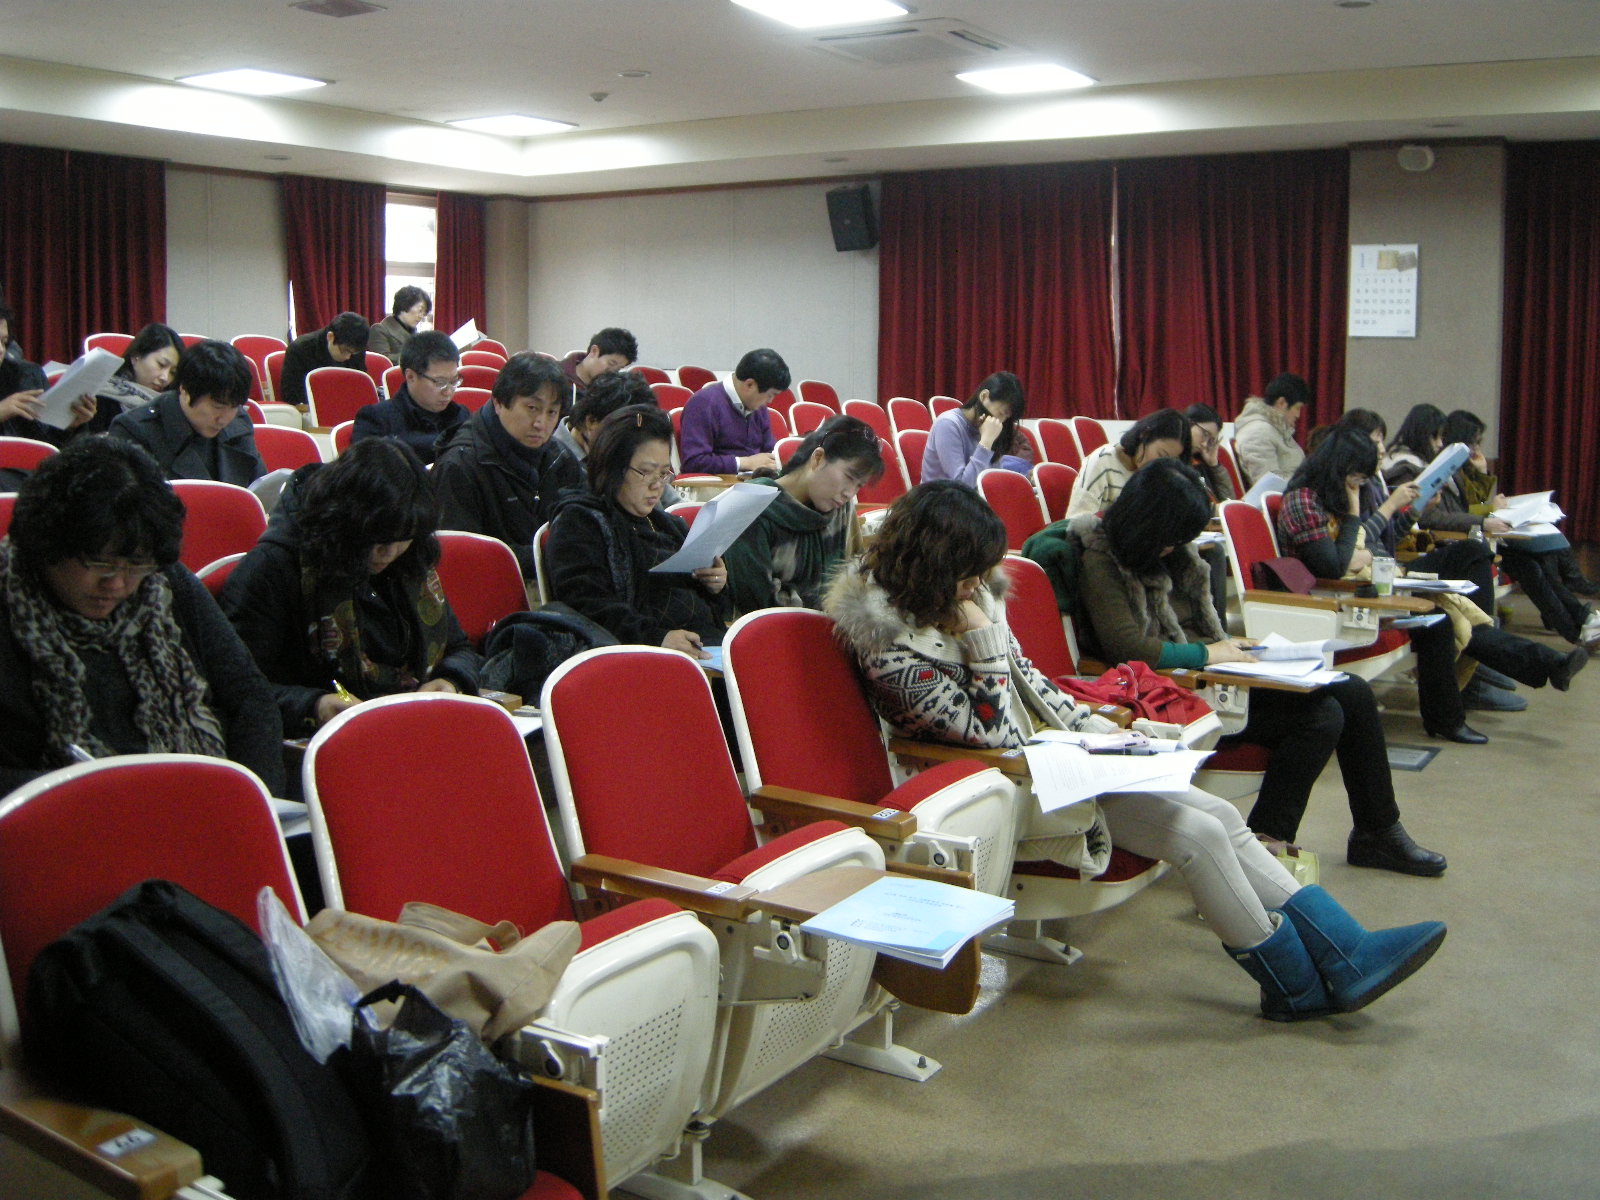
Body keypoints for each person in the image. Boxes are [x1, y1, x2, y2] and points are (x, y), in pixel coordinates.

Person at [825, 479, 1445, 1021]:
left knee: (1219, 814)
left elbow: (1033, 686)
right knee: (1196, 836)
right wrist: (986, 647)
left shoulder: (966, 597)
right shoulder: (888, 643)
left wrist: (1106, 730)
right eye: (969, 573)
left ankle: (1343, 953)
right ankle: (1298, 984)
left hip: (1054, 759)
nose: (980, 585)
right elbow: (988, 735)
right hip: (996, 787)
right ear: (932, 566)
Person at [1070, 457, 1449, 877]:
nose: (1175, 548)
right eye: (1170, 538)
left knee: (1352, 690)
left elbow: (1201, 631)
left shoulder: (1174, 555)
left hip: (1209, 676)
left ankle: (1377, 831)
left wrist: (1230, 650)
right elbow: (1129, 648)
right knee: (1322, 716)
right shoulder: (1102, 560)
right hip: (1166, 694)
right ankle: (1263, 847)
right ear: (1148, 525)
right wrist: (1209, 654)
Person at [0, 437, 284, 796]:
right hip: (61, 813)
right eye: (99, 564)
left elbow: (250, 696)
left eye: (135, 566)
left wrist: (255, 797)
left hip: (203, 797)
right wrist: (111, 798)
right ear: (47, 546)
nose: (117, 584)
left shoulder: (162, 582)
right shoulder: (11, 602)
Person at [1280, 428, 1584, 742]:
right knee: (1441, 620)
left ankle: (1472, 699)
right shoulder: (1304, 501)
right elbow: (1334, 565)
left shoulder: (1332, 496)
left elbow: (1361, 549)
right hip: (1339, 598)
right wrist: (1357, 515)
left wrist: (1374, 539)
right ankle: (1475, 699)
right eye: (1356, 478)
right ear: (1339, 468)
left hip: (1373, 576)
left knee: (1457, 587)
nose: (1358, 486)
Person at [220, 438, 480, 735]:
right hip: (318, 737)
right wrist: (314, 705)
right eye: (378, 541)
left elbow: (458, 647)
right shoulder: (274, 568)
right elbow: (235, 686)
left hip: (411, 724)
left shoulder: (411, 558)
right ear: (345, 522)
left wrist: (450, 680)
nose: (389, 553)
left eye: (402, 540)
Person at [1385, 404, 1600, 651]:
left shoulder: (1438, 462)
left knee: (1536, 561)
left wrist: (1482, 474)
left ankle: (1581, 623)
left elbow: (1467, 505)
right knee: (1529, 565)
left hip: (1468, 534)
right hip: (1442, 542)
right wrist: (1484, 517)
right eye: (1436, 437)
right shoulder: (1408, 468)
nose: (1439, 443)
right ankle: (1580, 625)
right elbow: (1436, 517)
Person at [546, 405, 730, 658]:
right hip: (640, 655)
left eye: (663, 473)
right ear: (613, 466)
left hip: (706, 647)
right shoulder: (580, 521)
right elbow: (586, 606)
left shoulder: (668, 524)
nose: (657, 485)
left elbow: (704, 605)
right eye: (645, 472)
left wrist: (715, 584)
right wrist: (657, 638)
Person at [431, 353, 582, 581]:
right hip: (494, 585)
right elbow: (464, 559)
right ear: (499, 403)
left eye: (551, 412)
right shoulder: (460, 466)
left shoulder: (559, 456)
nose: (541, 423)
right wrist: (556, 555)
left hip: (557, 577)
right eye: (532, 408)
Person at [724, 413, 882, 615]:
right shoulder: (751, 505)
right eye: (849, 477)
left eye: (859, 485)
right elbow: (754, 604)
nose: (849, 493)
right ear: (818, 458)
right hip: (771, 628)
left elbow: (855, 578)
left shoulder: (840, 507)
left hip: (830, 625)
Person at [107, 339, 266, 485]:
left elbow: (260, 487)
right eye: (218, 406)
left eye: (235, 406)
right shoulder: (135, 430)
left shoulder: (239, 422)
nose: (225, 419)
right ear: (185, 389)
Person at [550, 369, 683, 506]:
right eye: (624, 434)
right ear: (591, 422)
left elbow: (675, 506)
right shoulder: (554, 461)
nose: (632, 443)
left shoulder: (637, 450)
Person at [351, 329, 468, 465]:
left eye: (454, 381)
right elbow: (366, 473)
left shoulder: (461, 414)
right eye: (440, 382)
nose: (448, 392)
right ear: (411, 376)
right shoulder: (376, 419)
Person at [0, 305, 101, 448]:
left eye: (4, 342)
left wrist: (69, 426)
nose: (1, 349)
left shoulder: (24, 376)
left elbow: (44, 442)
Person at [678, 348, 789, 474]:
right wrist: (745, 463)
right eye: (770, 395)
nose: (770, 401)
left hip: (753, 480)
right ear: (749, 385)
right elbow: (693, 462)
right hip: (720, 483)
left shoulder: (758, 408)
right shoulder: (703, 403)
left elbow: (770, 451)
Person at [1066, 408, 1191, 517]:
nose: (1162, 464)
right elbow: (1076, 520)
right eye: (1161, 455)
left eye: (1169, 461)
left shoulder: (1158, 473)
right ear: (1145, 434)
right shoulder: (1102, 462)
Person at [919, 371, 1030, 487]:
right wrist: (986, 442)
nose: (1001, 421)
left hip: (973, 497)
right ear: (984, 396)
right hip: (941, 496)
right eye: (1002, 413)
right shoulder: (948, 424)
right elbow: (961, 486)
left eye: (1007, 417)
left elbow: (993, 479)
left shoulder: (988, 427)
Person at [278, 312, 370, 412]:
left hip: (347, 408)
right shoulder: (300, 349)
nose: (348, 357)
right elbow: (292, 397)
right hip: (310, 411)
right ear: (330, 337)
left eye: (353, 353)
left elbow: (359, 386)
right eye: (345, 351)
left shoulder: (355, 349)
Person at [1233, 372, 1308, 486]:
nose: (1298, 415)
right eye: (1297, 408)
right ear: (1282, 403)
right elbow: (1270, 485)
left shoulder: (1277, 430)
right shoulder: (1258, 433)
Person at [96, 323, 184, 415]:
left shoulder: (173, 405)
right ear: (136, 357)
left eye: (173, 372)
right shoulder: (103, 397)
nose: (165, 378)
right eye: (161, 365)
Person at [558, 327, 638, 400]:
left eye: (618, 369)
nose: (612, 372)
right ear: (594, 351)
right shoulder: (557, 378)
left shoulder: (611, 391)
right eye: (611, 363)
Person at [1182, 402, 1237, 502]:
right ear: (1188, 423)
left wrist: (1214, 465)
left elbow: (1229, 501)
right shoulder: (1170, 460)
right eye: (1205, 434)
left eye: (1211, 440)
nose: (1205, 444)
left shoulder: (1199, 462)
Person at [367, 286, 430, 364]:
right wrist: (416, 356)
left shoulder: (415, 334)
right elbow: (382, 361)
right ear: (405, 305)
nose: (421, 316)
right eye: (420, 311)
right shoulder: (379, 329)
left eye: (424, 313)